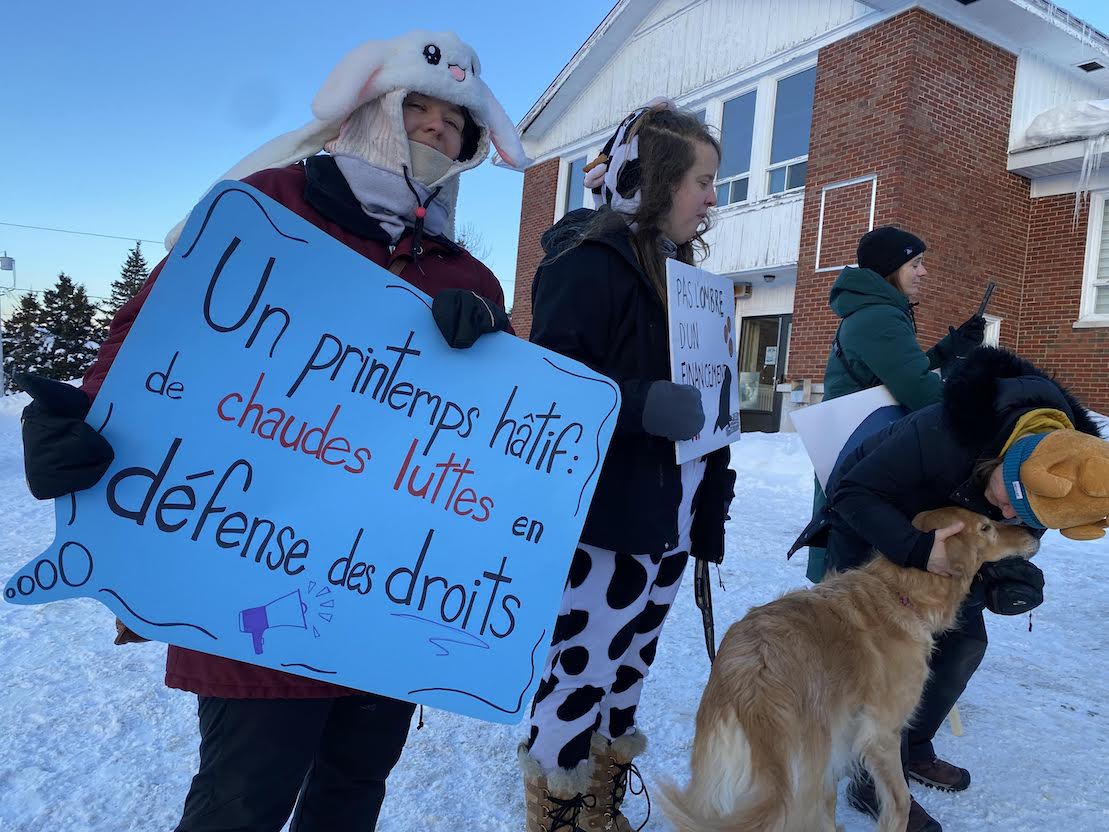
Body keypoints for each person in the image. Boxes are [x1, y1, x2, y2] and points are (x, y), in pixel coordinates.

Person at [18, 30, 525, 832]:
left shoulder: (466, 276)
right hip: (251, 582)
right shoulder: (269, 207)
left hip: (388, 594)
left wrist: (488, 349)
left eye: (452, 122)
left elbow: (492, 439)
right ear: (369, 110)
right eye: (415, 107)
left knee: (350, 797)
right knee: (240, 804)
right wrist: (84, 417)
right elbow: (154, 334)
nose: (434, 129)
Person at [517, 102, 737, 832]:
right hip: (606, 518)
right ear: (652, 181)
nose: (711, 197)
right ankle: (556, 808)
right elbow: (548, 388)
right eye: (702, 180)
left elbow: (711, 404)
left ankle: (601, 805)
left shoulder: (687, 279)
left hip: (668, 517)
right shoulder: (585, 263)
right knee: (579, 669)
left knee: (629, 666)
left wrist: (712, 499)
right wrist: (639, 403)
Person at [802, 345, 1106, 832]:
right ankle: (875, 780)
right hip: (872, 519)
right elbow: (852, 492)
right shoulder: (946, 430)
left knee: (964, 643)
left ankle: (915, 745)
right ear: (1010, 459)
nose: (1010, 516)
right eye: (1012, 501)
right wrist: (918, 549)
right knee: (886, 663)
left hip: (954, 540)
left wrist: (1003, 569)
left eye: (1026, 517)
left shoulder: (1057, 466)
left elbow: (1015, 524)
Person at [806, 226, 986, 584]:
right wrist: (979, 415)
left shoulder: (876, 311)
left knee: (851, 565)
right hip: (863, 451)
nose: (923, 272)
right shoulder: (880, 317)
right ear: (891, 268)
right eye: (915, 264)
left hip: (855, 441)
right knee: (857, 574)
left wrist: (949, 348)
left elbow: (900, 372)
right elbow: (921, 392)